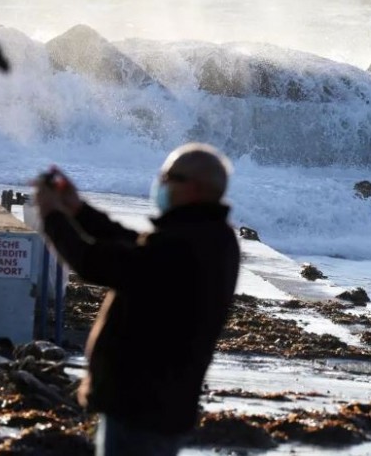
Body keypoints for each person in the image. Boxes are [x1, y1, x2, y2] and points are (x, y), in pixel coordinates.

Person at [34, 143, 240, 456]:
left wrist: (52, 216)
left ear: (196, 188)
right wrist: (78, 211)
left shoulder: (185, 244)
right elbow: (133, 246)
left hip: (142, 407)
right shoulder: (208, 236)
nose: (161, 182)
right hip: (156, 405)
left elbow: (95, 263)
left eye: (170, 177)